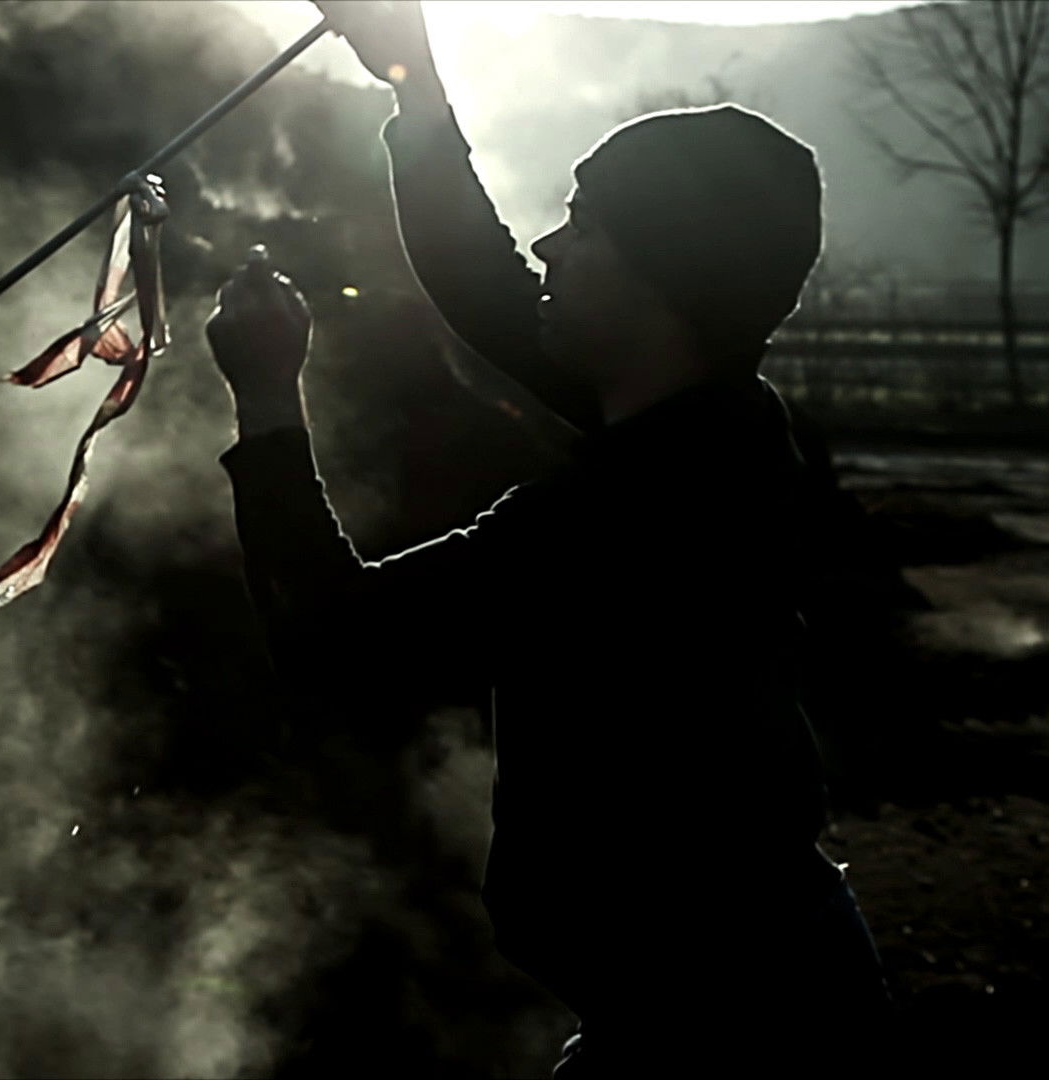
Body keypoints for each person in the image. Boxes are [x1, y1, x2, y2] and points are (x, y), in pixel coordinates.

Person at [206, 2, 893, 1071]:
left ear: (661, 281)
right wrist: (413, 82)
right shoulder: (716, 422)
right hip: (753, 987)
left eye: (584, 225)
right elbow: (487, 287)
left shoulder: (623, 521)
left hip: (726, 1033)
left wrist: (264, 397)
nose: (548, 246)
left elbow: (335, 643)